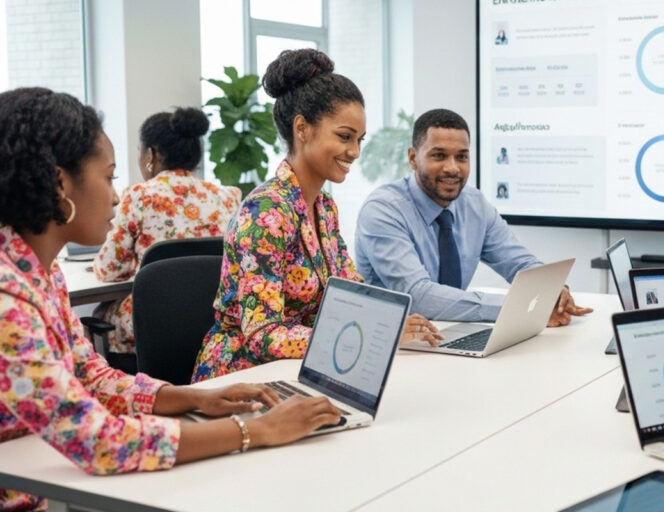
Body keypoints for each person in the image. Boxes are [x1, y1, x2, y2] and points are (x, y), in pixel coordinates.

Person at [0, 87, 343, 510]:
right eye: (108, 177)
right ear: (59, 182)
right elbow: (97, 441)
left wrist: (192, 397)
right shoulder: (7, 300)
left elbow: (91, 375)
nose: (115, 195)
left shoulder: (43, 271)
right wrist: (254, 431)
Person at [192, 49, 436, 383]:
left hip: (308, 366)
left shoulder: (324, 208)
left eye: (359, 139)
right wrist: (364, 338)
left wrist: (388, 324)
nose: (355, 152)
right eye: (344, 136)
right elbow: (262, 335)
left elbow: (350, 291)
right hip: (243, 377)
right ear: (302, 128)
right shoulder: (266, 213)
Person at [354, 108, 592, 324]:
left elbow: (519, 263)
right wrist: (521, 308)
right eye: (439, 156)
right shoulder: (383, 210)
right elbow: (418, 297)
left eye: (462, 156)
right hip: (397, 349)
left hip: (450, 335)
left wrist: (551, 291)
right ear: (413, 158)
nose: (453, 168)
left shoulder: (473, 204)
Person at [93, 107, 241, 370]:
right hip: (212, 321)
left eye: (140, 150)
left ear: (150, 154)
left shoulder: (139, 195)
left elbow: (108, 269)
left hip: (152, 324)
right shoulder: (228, 196)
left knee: (100, 314)